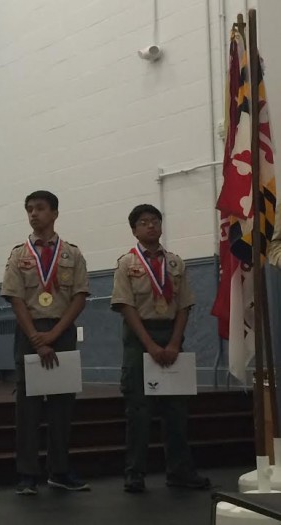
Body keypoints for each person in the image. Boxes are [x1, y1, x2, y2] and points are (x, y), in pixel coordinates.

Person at [111, 204, 211, 493]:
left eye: (155, 221)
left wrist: (175, 342)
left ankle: (180, 471)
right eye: (144, 222)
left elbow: (184, 306)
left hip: (171, 336)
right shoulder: (126, 264)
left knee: (176, 412)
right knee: (138, 412)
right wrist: (151, 346)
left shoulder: (176, 264)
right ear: (135, 230)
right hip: (139, 338)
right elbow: (126, 307)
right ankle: (135, 473)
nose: (151, 226)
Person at [0, 190, 90, 495]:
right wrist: (37, 339)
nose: (33, 214)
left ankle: (59, 470)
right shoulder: (19, 254)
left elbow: (79, 297)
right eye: (29, 209)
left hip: (61, 331)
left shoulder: (72, 254)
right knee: (27, 406)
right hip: (29, 332)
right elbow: (15, 299)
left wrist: (54, 335)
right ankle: (27, 474)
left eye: (39, 208)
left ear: (54, 213)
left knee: (62, 405)